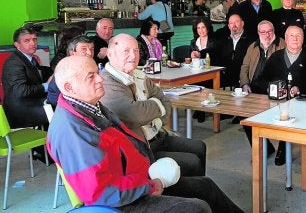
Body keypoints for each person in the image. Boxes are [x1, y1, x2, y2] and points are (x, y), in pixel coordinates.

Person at [47, 55, 244, 212]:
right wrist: (151, 185)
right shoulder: (72, 131)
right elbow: (100, 192)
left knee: (205, 186)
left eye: (97, 72)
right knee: (196, 208)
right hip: (121, 201)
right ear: (69, 87)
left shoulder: (89, 106)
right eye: (91, 77)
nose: (100, 79)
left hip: (136, 181)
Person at [100, 34, 207, 178]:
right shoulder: (108, 82)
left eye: (136, 50)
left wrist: (153, 114)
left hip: (156, 135)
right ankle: (182, 193)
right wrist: (156, 104)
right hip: (141, 148)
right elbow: (135, 115)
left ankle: (192, 189)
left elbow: (166, 101)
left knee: (199, 146)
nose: (133, 55)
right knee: (192, 162)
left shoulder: (138, 74)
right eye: (126, 51)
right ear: (110, 54)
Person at [253, 26, 306, 166]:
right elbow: (260, 80)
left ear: (303, 38)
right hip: (278, 104)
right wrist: (272, 88)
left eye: (298, 35)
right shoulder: (276, 57)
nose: (295, 39)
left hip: (303, 102)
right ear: (286, 39)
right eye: (291, 35)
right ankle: (283, 146)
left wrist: (300, 89)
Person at [239, 20, 286, 154]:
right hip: (254, 88)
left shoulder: (282, 44)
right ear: (258, 33)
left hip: (274, 89)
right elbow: (244, 67)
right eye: (263, 32)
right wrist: (244, 84)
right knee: (246, 119)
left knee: (281, 119)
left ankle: (282, 151)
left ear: (274, 31)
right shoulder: (253, 46)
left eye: (269, 31)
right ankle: (265, 149)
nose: (267, 35)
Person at [2, 27, 52, 129]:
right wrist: (47, 85)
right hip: (22, 112)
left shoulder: (30, 58)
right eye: (27, 41)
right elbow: (21, 91)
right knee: (60, 112)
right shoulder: (14, 63)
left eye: (34, 39)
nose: (33, 43)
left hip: (31, 104)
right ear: (17, 45)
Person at [47, 35, 94, 105]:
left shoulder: (84, 68)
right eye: (84, 49)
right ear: (72, 53)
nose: (90, 53)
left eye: (92, 49)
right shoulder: (66, 72)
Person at [213, 14, 253, 88]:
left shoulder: (251, 40)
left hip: (244, 78)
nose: (234, 25)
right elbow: (213, 50)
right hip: (226, 79)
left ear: (242, 23)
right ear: (228, 26)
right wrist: (199, 53)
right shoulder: (224, 40)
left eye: (237, 22)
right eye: (231, 23)